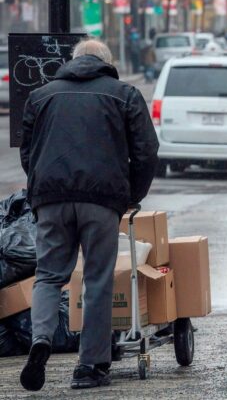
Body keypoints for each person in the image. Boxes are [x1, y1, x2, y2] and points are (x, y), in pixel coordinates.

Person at [19, 39, 159, 391]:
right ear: (107, 62)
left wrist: (41, 190)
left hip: (51, 199)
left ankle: (41, 341)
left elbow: (28, 151)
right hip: (102, 200)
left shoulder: (41, 95)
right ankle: (90, 366)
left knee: (49, 276)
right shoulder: (124, 94)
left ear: (72, 61)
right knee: (97, 279)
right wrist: (132, 194)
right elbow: (146, 149)